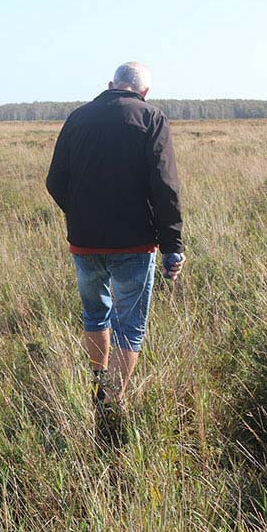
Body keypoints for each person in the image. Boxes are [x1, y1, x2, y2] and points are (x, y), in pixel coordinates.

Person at [45, 61, 185, 447]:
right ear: (144, 93)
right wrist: (173, 246)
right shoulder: (151, 118)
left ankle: (98, 387)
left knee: (95, 313)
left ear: (111, 85)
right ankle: (112, 404)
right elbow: (165, 187)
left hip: (84, 243)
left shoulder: (77, 117)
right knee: (130, 326)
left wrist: (80, 216)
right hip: (135, 244)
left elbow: (55, 181)